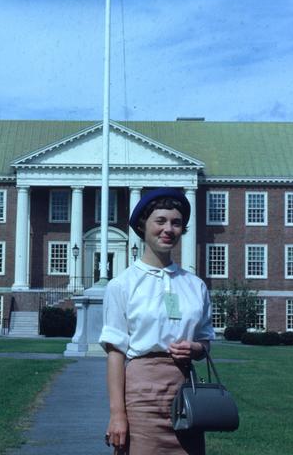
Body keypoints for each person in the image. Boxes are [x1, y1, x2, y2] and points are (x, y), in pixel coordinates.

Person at [100, 187, 214, 455]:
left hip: (186, 392)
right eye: (160, 221)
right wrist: (117, 414)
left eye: (176, 223)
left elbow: (205, 341)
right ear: (143, 226)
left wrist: (196, 348)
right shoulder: (122, 285)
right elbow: (115, 353)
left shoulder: (194, 285)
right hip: (141, 395)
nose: (168, 229)